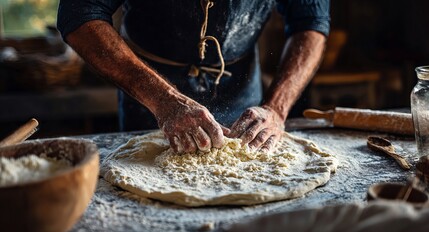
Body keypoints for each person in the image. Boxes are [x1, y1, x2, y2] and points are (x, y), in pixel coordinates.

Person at [57, 0, 329, 154]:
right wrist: (164, 100)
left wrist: (276, 109)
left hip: (241, 93)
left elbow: (310, 21)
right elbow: (79, 13)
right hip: (148, 96)